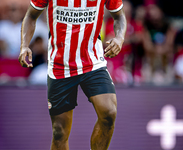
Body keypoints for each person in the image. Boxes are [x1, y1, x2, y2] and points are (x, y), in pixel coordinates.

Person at [18, 0, 126, 150]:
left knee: (109, 112)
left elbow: (119, 16)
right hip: (60, 66)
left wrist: (120, 38)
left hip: (92, 62)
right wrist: (24, 46)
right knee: (59, 132)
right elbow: (31, 15)